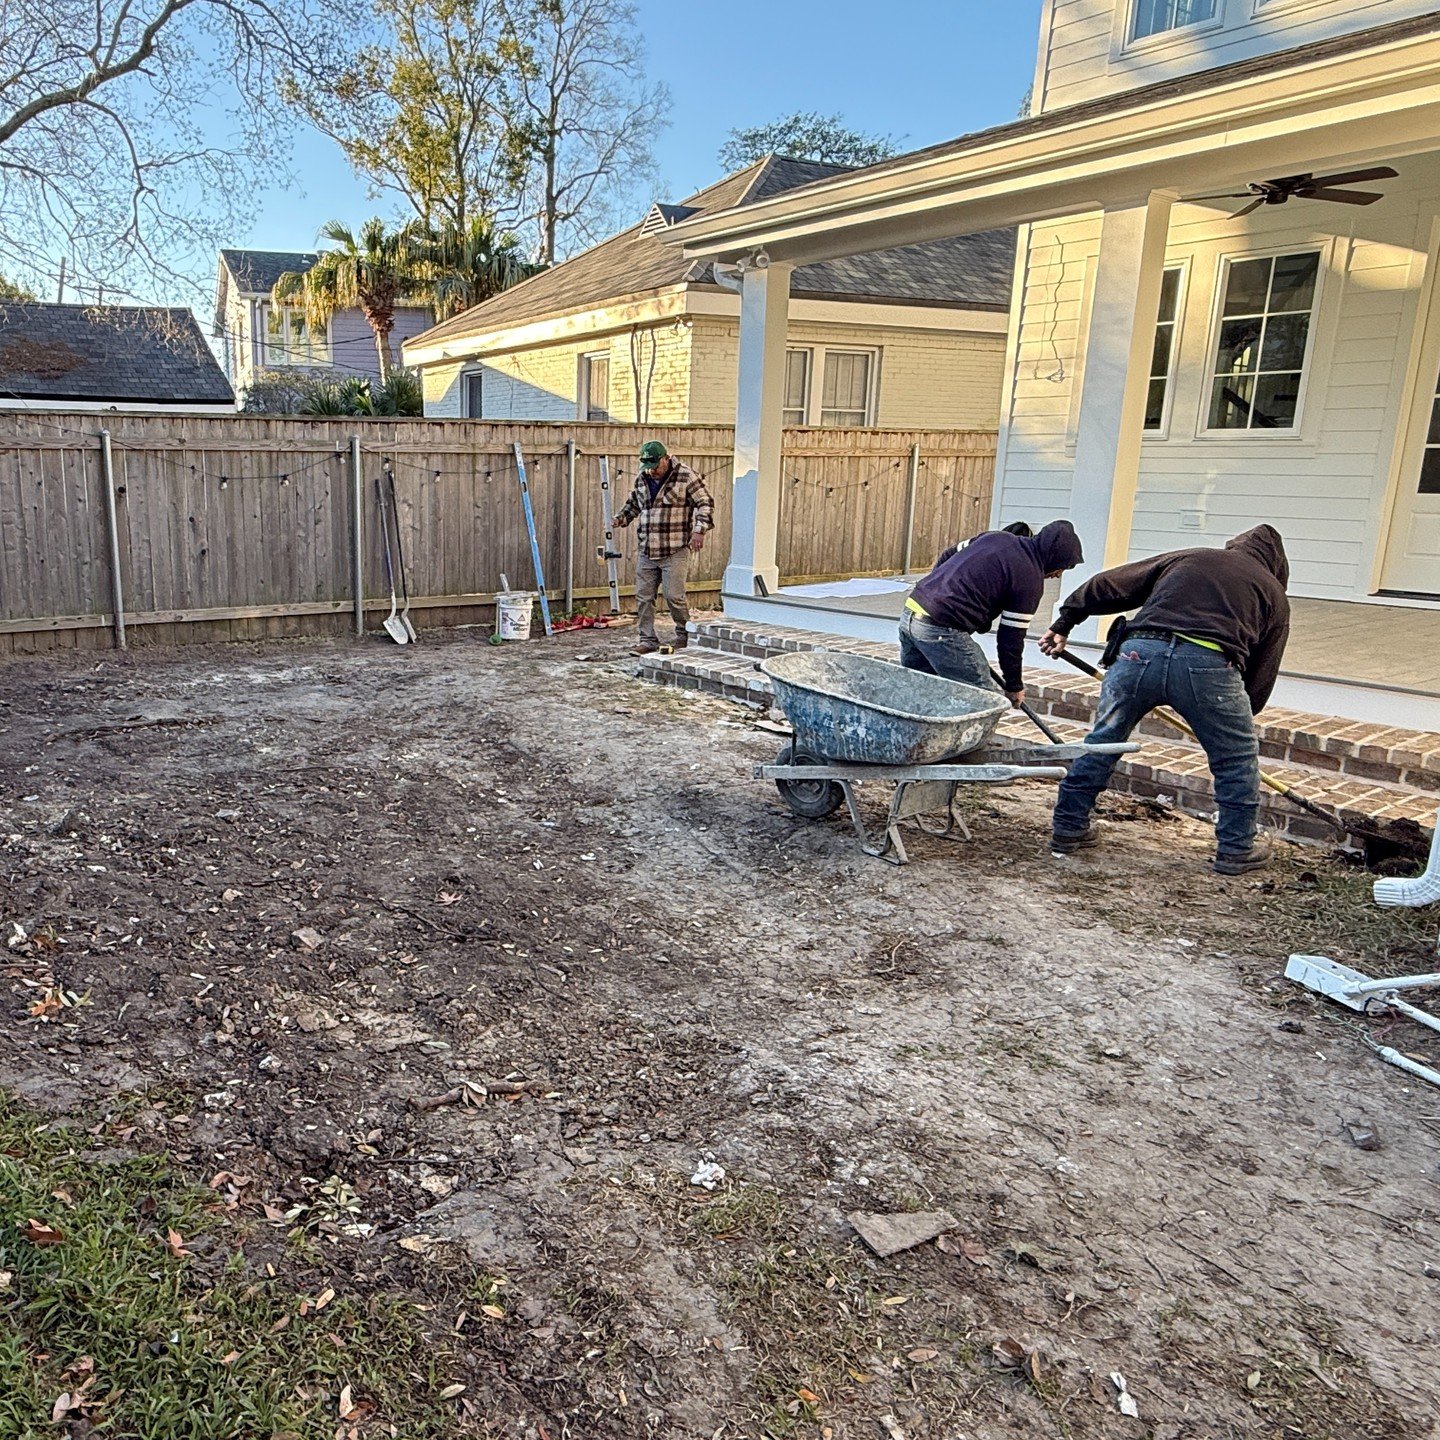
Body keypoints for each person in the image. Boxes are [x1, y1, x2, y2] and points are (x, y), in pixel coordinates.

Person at [1039, 524, 1291, 876]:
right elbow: (1263, 671)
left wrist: (1065, 621)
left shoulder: (1189, 558)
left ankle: (1068, 828)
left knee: (1102, 742)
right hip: (1209, 665)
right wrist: (1236, 716)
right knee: (1235, 759)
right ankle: (1236, 848)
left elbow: (1108, 584)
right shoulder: (1274, 593)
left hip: (1136, 655)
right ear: (1277, 565)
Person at [900, 520, 1085, 708]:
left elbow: (949, 554)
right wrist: (1014, 685)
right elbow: (1010, 639)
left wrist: (935, 589)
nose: (1058, 574)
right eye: (1062, 567)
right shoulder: (1030, 579)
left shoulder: (995, 537)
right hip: (941, 628)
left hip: (911, 612)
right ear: (1054, 557)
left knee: (921, 692)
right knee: (984, 701)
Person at [613, 441, 715, 656]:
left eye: (655, 465)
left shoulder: (685, 476)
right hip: (647, 549)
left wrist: (699, 530)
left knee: (674, 596)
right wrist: (622, 518)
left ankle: (684, 634)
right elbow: (634, 504)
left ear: (666, 458)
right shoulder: (642, 478)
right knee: (643, 597)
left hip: (675, 549)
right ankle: (647, 639)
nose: (652, 470)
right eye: (647, 465)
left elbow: (705, 502)